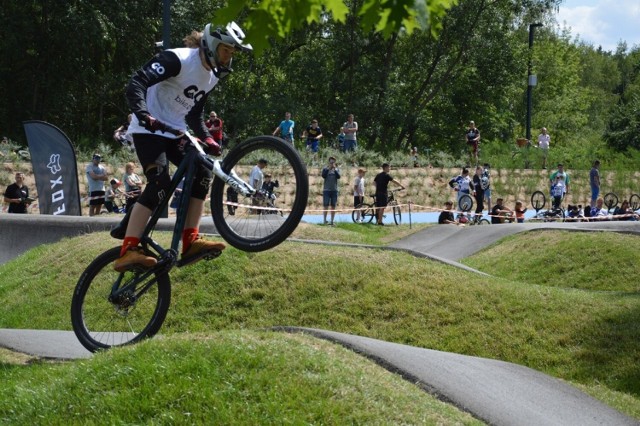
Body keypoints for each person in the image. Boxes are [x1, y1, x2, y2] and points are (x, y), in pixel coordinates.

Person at [110, 21, 251, 272]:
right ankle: (128, 249)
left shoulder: (211, 77)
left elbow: (195, 113)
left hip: (175, 131)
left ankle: (190, 241)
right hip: (148, 129)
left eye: (232, 53)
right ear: (211, 44)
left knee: (203, 173)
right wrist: (143, 115)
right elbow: (137, 82)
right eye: (226, 50)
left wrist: (207, 137)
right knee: (160, 183)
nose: (229, 57)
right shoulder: (178, 59)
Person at [321, 156, 341, 225]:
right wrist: (328, 169)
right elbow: (323, 176)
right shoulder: (325, 169)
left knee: (333, 206)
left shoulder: (337, 169)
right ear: (329, 162)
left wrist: (334, 169)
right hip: (326, 190)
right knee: (325, 205)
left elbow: (339, 177)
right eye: (331, 162)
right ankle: (324, 220)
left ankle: (332, 221)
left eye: (333, 162)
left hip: (334, 190)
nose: (332, 163)